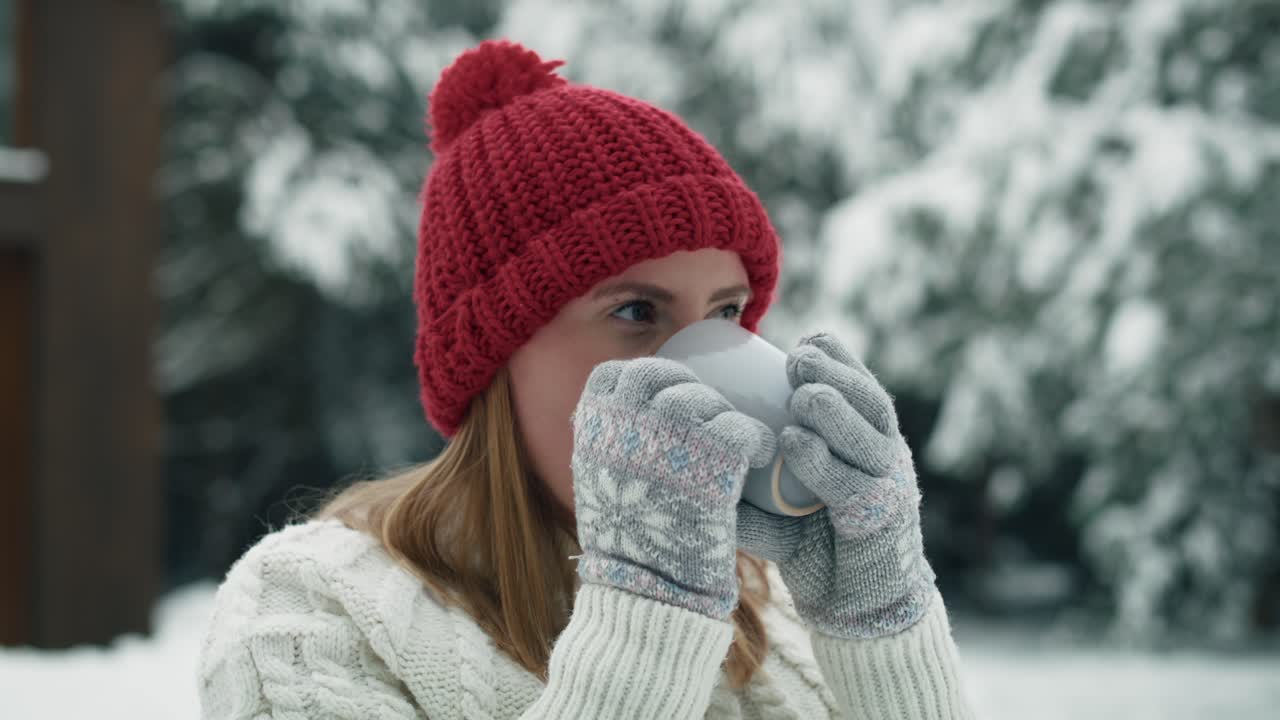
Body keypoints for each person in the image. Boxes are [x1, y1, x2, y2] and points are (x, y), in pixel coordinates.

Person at [197, 38, 978, 719]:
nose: (704, 358)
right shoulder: (314, 612)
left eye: (728, 312)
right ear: (495, 357)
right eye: (637, 311)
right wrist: (645, 630)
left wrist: (878, 623)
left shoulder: (779, 619)